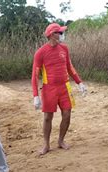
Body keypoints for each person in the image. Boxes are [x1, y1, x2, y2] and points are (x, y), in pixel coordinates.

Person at [32, 23, 86, 155]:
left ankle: (61, 140)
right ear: (52, 35)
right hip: (49, 88)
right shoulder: (40, 53)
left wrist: (79, 83)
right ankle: (46, 144)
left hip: (64, 87)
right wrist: (35, 96)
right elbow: (35, 75)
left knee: (67, 114)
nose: (62, 35)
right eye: (60, 33)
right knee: (47, 117)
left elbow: (70, 67)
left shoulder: (64, 49)